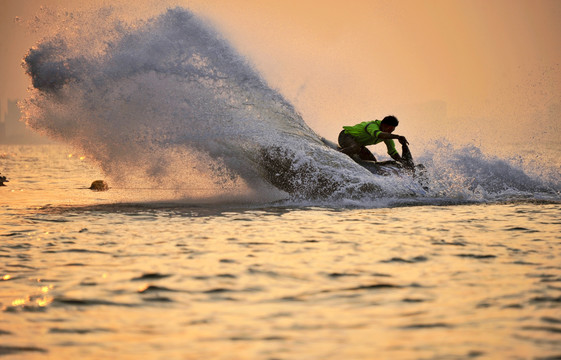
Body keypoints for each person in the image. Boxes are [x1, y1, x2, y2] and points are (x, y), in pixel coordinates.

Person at [338, 115, 409, 164]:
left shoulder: (387, 136)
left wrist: (402, 163)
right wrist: (397, 137)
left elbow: (392, 152)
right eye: (390, 129)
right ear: (384, 124)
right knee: (355, 148)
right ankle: (335, 157)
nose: (390, 132)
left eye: (392, 130)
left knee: (372, 162)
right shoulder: (372, 126)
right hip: (345, 136)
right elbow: (379, 134)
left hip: (358, 144)